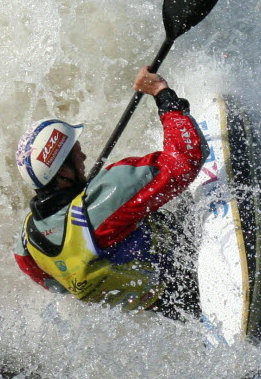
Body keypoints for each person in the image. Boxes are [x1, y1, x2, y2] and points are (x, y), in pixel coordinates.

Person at [13, 68, 204, 316]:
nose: (84, 156)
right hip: (190, 273)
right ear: (64, 173)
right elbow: (186, 159)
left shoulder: (27, 243)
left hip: (167, 308)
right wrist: (163, 95)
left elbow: (55, 284)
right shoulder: (106, 200)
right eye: (76, 153)